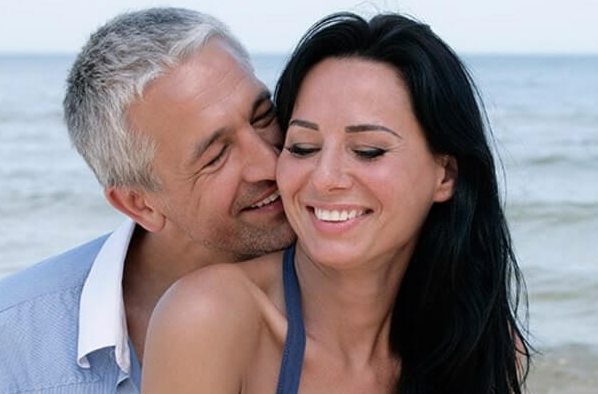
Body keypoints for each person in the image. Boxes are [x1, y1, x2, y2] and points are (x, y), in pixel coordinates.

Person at [141, 12, 530, 394]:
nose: (325, 178)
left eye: (368, 150)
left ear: (445, 175)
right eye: (302, 147)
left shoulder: (486, 349)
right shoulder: (210, 319)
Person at [0, 8, 294, 394]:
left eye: (262, 116)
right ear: (140, 205)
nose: (270, 163)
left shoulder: (362, 282)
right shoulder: (15, 344)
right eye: (216, 155)